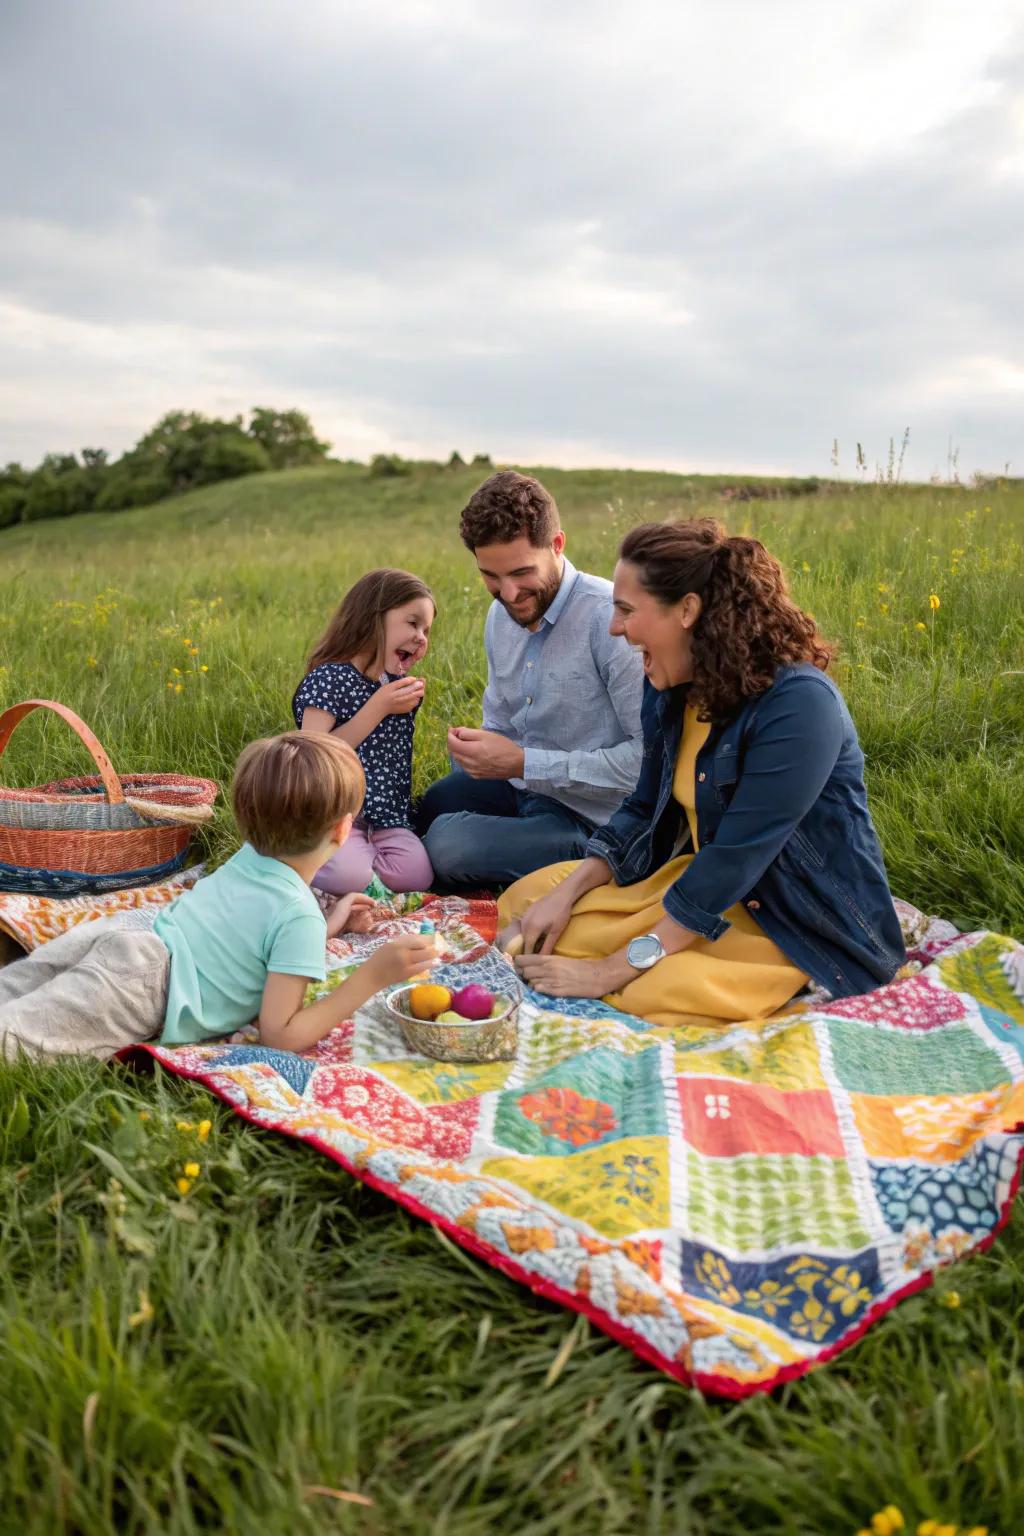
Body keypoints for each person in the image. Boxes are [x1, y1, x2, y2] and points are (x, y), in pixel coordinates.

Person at [499, 517, 906, 1028]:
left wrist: (607, 971)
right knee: (529, 904)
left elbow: (733, 862)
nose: (614, 627)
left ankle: (790, 978)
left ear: (687, 611)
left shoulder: (799, 707)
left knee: (658, 987)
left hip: (790, 914)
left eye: (626, 610)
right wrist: (567, 894)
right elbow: (643, 808)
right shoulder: (671, 682)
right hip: (703, 886)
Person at [0, 732, 435, 1061]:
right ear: (343, 830)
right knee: (14, 1042)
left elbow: (258, 936)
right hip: (145, 984)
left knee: (11, 987)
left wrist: (334, 920)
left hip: (132, 932)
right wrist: (373, 975)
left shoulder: (252, 857)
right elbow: (280, 1034)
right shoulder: (298, 914)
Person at [417, 471, 644, 887]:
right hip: (525, 789)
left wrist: (524, 762)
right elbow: (501, 722)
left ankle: (588, 858)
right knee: (429, 807)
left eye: (522, 572)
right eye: (491, 576)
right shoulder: (500, 615)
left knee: (446, 846)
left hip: (594, 815)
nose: (508, 594)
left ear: (557, 545)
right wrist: (479, 749)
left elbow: (647, 764)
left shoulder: (609, 621)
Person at [293, 568, 435, 895]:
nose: (422, 638)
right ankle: (321, 862)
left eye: (427, 630)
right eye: (413, 623)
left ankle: (359, 868)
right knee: (348, 877)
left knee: (417, 876)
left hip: (383, 817)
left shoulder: (393, 687)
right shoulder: (329, 678)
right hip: (331, 812)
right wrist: (377, 708)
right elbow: (312, 754)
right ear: (373, 617)